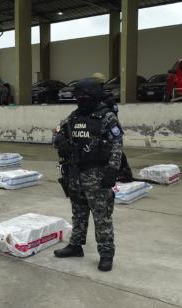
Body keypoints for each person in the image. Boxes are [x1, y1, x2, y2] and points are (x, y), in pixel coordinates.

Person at [53, 78, 123, 272]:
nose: (81, 100)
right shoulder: (74, 117)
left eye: (85, 97)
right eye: (79, 97)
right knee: (78, 212)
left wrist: (112, 170)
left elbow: (117, 144)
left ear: (93, 96)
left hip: (97, 175)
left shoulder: (106, 117)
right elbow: (57, 131)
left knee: (102, 216)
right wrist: (60, 140)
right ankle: (76, 246)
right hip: (75, 173)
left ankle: (106, 254)